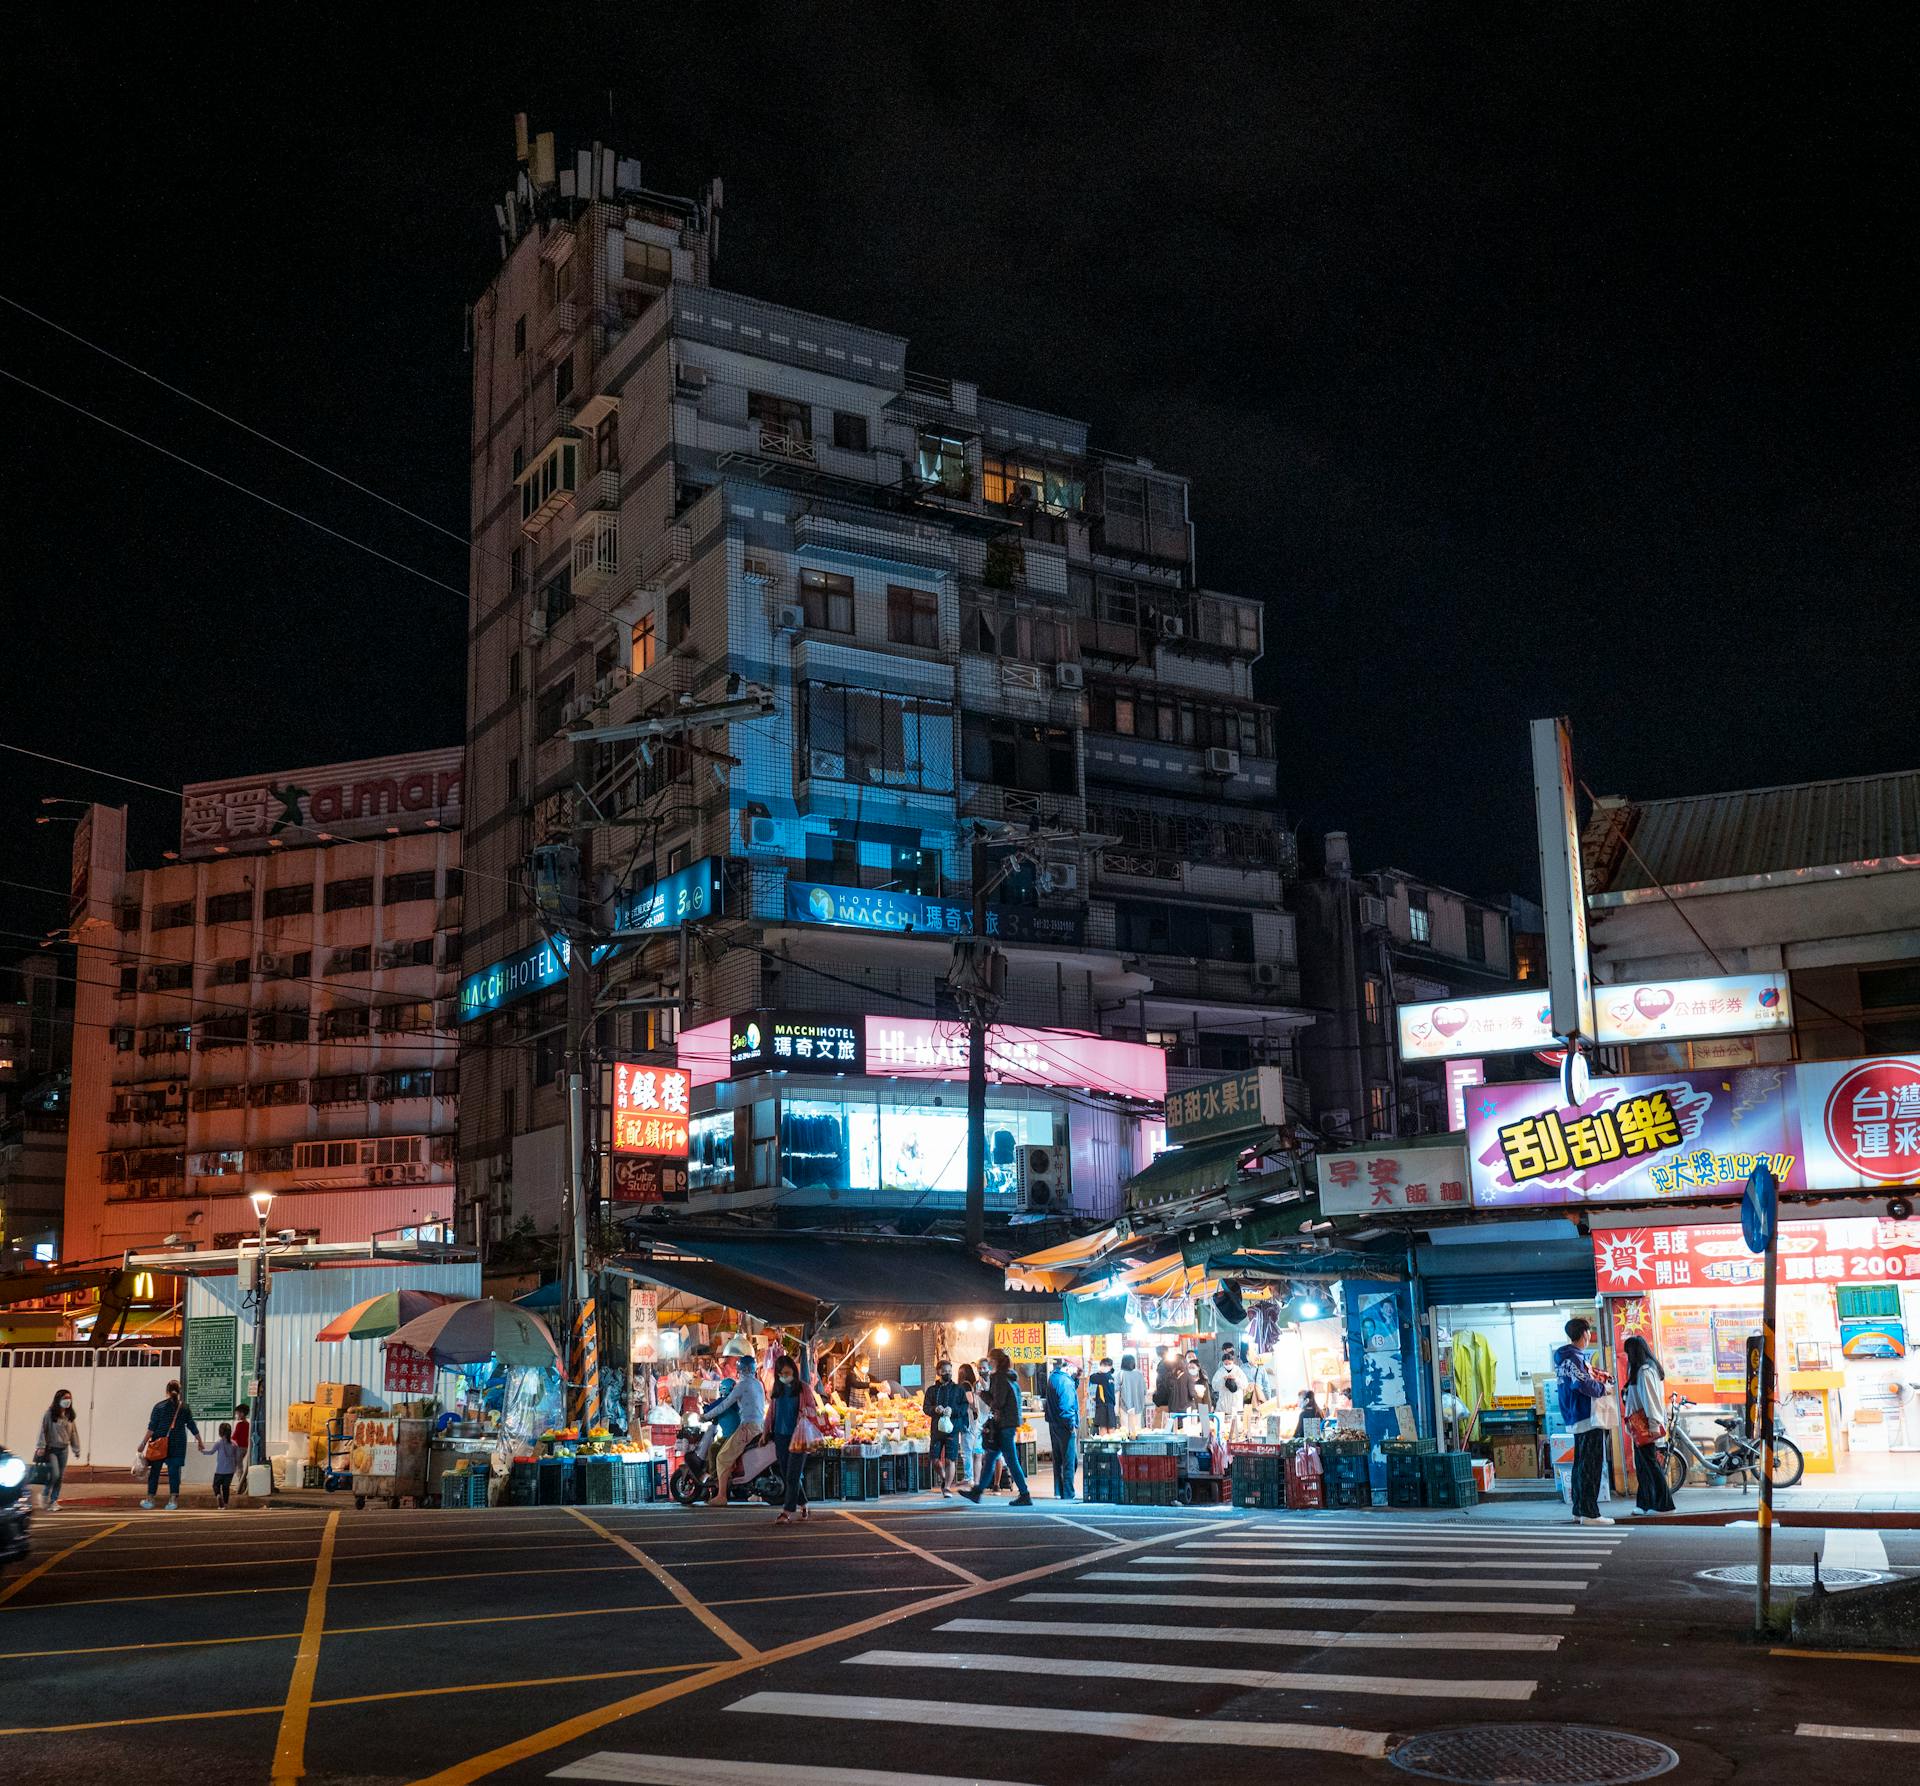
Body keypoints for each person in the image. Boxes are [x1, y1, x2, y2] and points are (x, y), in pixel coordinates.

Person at [1554, 1316, 1614, 1527]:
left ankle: (1580, 1510)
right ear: (1585, 1333)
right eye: (1589, 1332)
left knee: (1581, 1463)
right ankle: (1590, 1513)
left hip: (1574, 1415)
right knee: (1591, 1464)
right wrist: (1602, 1388)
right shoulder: (1574, 1358)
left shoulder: (1563, 1358)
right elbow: (1581, 1383)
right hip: (1586, 1415)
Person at [961, 1349, 1032, 1506]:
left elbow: (998, 1402)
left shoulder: (999, 1378)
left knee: (1010, 1460)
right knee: (992, 1457)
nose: (988, 1362)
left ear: (995, 1361)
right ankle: (977, 1492)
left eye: (990, 1360)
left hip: (1004, 1424)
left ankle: (1025, 1493)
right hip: (1008, 1423)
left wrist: (983, 1395)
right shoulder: (1010, 1377)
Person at [1623, 1334, 1676, 1515]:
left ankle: (1664, 1505)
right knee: (1644, 1466)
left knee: (1650, 1465)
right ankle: (1644, 1504)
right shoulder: (1642, 1370)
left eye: (1628, 1353)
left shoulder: (1644, 1371)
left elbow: (1650, 1400)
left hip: (1645, 1426)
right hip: (1640, 1426)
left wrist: (1653, 1426)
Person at [704, 1356, 767, 1506]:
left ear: (740, 1370)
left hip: (747, 1428)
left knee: (722, 1457)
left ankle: (721, 1496)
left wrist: (706, 1416)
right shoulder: (758, 1384)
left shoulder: (741, 1386)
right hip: (759, 1426)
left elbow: (724, 1405)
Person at [767, 1351, 818, 1524]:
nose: (784, 1377)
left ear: (794, 1372)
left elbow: (813, 1410)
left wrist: (805, 1412)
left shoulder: (803, 1388)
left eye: (787, 1373)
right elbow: (771, 1413)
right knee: (787, 1473)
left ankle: (787, 1511)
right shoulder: (778, 1388)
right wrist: (766, 1432)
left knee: (793, 1475)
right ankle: (803, 1503)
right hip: (780, 1436)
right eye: (781, 1374)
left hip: (799, 1438)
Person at [141, 1379, 205, 1510]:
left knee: (155, 1472)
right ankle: (173, 1500)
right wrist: (199, 1441)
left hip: (159, 1443)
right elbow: (191, 1425)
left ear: (167, 1392)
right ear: (179, 1392)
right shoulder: (184, 1407)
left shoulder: (159, 1407)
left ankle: (150, 1499)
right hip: (177, 1444)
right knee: (174, 1473)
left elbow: (152, 1427)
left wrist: (143, 1443)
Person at [923, 1357, 970, 1495]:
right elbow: (925, 1407)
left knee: (950, 1459)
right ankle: (944, 1478)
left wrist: (953, 1411)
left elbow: (964, 1407)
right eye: (944, 1371)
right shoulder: (931, 1390)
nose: (947, 1373)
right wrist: (934, 1409)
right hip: (936, 1430)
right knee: (935, 1459)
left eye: (949, 1371)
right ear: (938, 1372)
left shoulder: (958, 1389)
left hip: (953, 1429)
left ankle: (948, 1487)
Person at [35, 1388, 78, 1512]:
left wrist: (76, 1449)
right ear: (58, 1399)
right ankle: (44, 1494)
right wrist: (41, 1446)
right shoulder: (49, 1414)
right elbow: (43, 1430)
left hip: (64, 1449)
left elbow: (73, 1433)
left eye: (69, 1398)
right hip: (51, 1449)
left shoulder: (69, 1415)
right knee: (55, 1474)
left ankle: (54, 1501)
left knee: (60, 1477)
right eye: (65, 1398)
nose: (67, 1401)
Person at [1044, 1356, 1080, 1500]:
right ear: (1069, 1367)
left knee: (1058, 1459)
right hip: (1065, 1426)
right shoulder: (1066, 1382)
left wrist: (1076, 1379)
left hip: (1054, 1424)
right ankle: (1068, 1493)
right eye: (1076, 1370)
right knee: (1070, 1461)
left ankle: (1058, 1491)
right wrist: (1071, 1425)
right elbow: (1067, 1406)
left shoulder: (1054, 1377)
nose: (1076, 1372)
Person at [956, 1362, 985, 1489]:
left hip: (969, 1421)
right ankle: (975, 1480)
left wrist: (973, 1409)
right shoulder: (974, 1385)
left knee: (966, 1450)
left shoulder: (964, 1385)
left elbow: (970, 1400)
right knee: (976, 1451)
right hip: (977, 1422)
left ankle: (969, 1477)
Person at [1211, 1354, 1248, 1439]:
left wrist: (1236, 1379)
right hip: (1223, 1406)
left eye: (1229, 1363)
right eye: (1226, 1364)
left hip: (1236, 1405)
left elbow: (1245, 1385)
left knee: (1237, 1431)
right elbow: (1214, 1386)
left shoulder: (1238, 1371)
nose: (1228, 1365)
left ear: (1233, 1362)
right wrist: (1223, 1380)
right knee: (1222, 1432)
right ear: (1223, 1363)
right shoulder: (1220, 1371)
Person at [1116, 1352, 1148, 1436]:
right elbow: (1145, 1391)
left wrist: (1116, 1409)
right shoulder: (1139, 1374)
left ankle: (1127, 1449)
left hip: (1125, 1407)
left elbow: (1116, 1391)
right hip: (1138, 1407)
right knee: (1137, 1432)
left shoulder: (1120, 1374)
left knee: (1125, 1432)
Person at [210, 1422, 239, 1509]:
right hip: (230, 1470)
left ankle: (218, 1495)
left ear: (220, 1432)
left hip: (220, 1470)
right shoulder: (234, 1444)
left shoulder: (218, 1443)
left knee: (215, 1485)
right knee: (226, 1487)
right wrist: (235, 1467)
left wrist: (202, 1450)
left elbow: (211, 1452)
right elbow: (237, 1457)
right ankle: (225, 1504)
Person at [230, 1401, 252, 1500]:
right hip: (245, 1448)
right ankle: (242, 1484)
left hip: (238, 1448)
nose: (237, 1415)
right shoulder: (248, 1424)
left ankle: (242, 1485)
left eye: (238, 1413)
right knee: (239, 1466)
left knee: (238, 1467)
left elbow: (234, 1437)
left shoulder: (239, 1425)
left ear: (242, 1414)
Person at [1089, 1357, 1117, 1434]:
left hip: (1103, 1406)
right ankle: (1112, 1445)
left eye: (1102, 1366)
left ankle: (1104, 1445)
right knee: (1111, 1428)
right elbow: (1106, 1391)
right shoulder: (1110, 1377)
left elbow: (1091, 1378)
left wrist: (1093, 1368)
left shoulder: (1102, 1376)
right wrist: (1097, 1397)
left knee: (1103, 1429)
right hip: (1110, 1406)